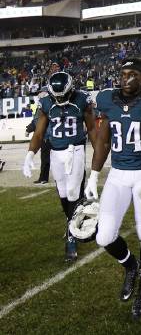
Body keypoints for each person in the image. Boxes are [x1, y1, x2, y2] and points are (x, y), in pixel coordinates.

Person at [85, 58, 141, 318]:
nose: (126, 78)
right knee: (104, 237)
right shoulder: (108, 100)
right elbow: (102, 142)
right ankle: (130, 265)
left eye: (133, 74)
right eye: (123, 73)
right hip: (118, 175)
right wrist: (93, 176)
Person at [22, 72, 97, 261]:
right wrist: (30, 154)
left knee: (73, 192)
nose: (60, 99)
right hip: (56, 152)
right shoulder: (47, 103)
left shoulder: (81, 100)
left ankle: (72, 236)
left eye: (63, 95)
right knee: (63, 193)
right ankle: (72, 220)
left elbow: (93, 128)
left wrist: (99, 154)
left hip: (76, 150)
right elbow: (39, 133)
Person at [25, 93, 51, 185]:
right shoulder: (37, 109)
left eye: (40, 95)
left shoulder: (47, 108)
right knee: (44, 158)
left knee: (46, 158)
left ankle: (44, 178)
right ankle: (42, 178)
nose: (39, 96)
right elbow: (35, 121)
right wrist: (28, 129)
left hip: (48, 137)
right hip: (43, 137)